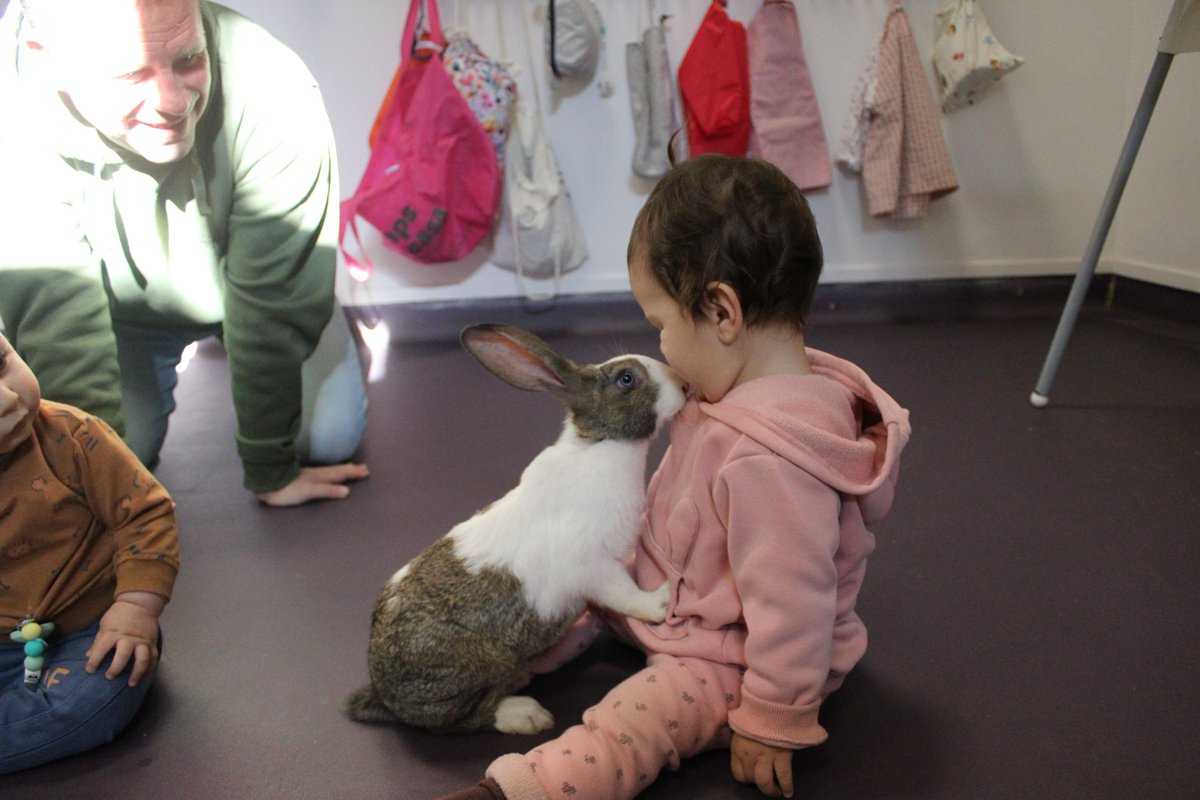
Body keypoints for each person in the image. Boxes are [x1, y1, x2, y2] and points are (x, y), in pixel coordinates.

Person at [439, 155, 912, 800]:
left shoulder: (771, 462)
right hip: (676, 594)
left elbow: (794, 601)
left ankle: (528, 789)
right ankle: (507, 658)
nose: (659, 347)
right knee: (575, 589)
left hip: (729, 658)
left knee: (633, 723)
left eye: (661, 325)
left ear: (722, 313)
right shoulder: (738, 385)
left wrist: (775, 716)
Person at [0, 0, 369, 506]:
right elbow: (59, 320)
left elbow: (273, 302)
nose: (171, 101)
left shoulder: (273, 86)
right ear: (46, 59)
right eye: (131, 74)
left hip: (258, 288)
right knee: (109, 461)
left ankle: (323, 325)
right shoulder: (11, 116)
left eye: (189, 58)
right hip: (118, 318)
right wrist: (102, 499)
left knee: (327, 439)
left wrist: (271, 469)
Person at [0, 331, 181, 773]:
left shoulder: (74, 436)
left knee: (99, 696)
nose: (7, 400)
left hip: (93, 630)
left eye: (1, 363)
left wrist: (136, 610)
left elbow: (145, 514)